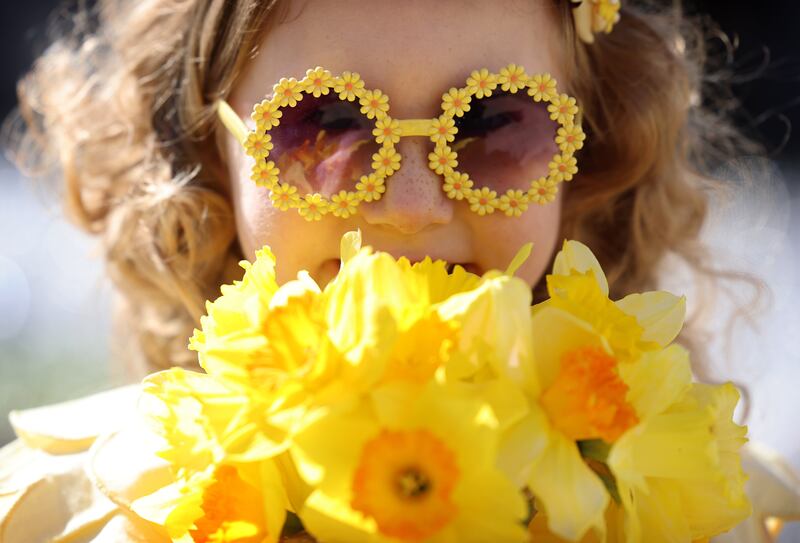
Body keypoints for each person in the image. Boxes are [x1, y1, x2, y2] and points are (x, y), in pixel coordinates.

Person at [1, 0, 798, 541]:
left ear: (583, 158)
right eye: (325, 128)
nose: (412, 208)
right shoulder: (50, 515)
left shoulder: (739, 517)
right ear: (212, 158)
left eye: (495, 124)